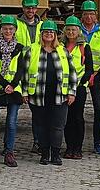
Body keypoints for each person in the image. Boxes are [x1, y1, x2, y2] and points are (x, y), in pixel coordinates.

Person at [23, 20, 78, 165]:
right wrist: (24, 92)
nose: (49, 34)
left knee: (57, 126)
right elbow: (25, 73)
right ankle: (44, 153)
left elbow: (72, 72)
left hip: (60, 95)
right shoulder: (32, 50)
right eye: (46, 32)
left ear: (55, 35)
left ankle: (55, 154)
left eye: (51, 32)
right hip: (38, 95)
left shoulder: (63, 50)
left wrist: (72, 92)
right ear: (41, 34)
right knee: (41, 126)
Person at [0, 15, 27, 168]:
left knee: (11, 123)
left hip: (14, 90)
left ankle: (9, 152)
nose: (8, 31)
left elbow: (21, 69)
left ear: (15, 30)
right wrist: (5, 84)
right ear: (1, 30)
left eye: (11, 28)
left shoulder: (19, 48)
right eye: (5, 28)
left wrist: (12, 85)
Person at [80, 0, 100, 155]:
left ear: (96, 16)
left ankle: (98, 142)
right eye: (86, 14)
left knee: (99, 109)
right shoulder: (75, 31)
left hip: (96, 76)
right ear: (82, 16)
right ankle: (77, 142)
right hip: (81, 76)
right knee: (77, 110)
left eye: (91, 14)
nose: (89, 17)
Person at [62, 16, 93, 160]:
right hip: (63, 87)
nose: (71, 32)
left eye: (73, 29)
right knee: (67, 119)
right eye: (68, 29)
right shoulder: (60, 47)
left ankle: (78, 148)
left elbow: (89, 69)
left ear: (78, 31)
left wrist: (81, 83)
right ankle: (69, 148)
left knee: (78, 118)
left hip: (79, 87)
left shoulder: (84, 47)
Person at [16, 0, 43, 153]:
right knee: (32, 108)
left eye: (33, 7)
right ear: (23, 8)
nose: (30, 10)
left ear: (37, 8)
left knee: (39, 112)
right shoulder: (17, 24)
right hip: (21, 70)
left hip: (40, 72)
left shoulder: (43, 26)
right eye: (28, 7)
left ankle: (39, 142)